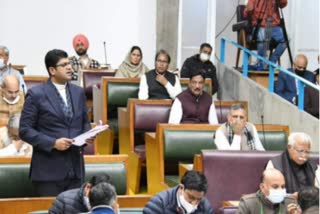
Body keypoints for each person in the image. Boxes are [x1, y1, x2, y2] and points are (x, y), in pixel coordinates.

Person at [19, 49, 95, 197]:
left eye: (70, 64)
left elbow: (84, 122)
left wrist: (88, 135)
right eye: (64, 64)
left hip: (75, 171)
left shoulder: (78, 92)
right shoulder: (37, 94)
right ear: (52, 70)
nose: (69, 67)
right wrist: (53, 143)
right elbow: (25, 130)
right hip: (49, 173)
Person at [244, 0, 288, 70]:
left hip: (273, 25)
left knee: (285, 39)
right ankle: (261, 64)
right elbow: (246, 13)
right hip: (259, 25)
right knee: (262, 35)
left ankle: (271, 62)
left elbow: (283, 4)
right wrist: (249, 9)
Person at [143, 170, 213, 214]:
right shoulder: (158, 203)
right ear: (181, 188)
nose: (194, 203)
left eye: (198, 199)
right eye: (191, 197)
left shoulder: (205, 205)